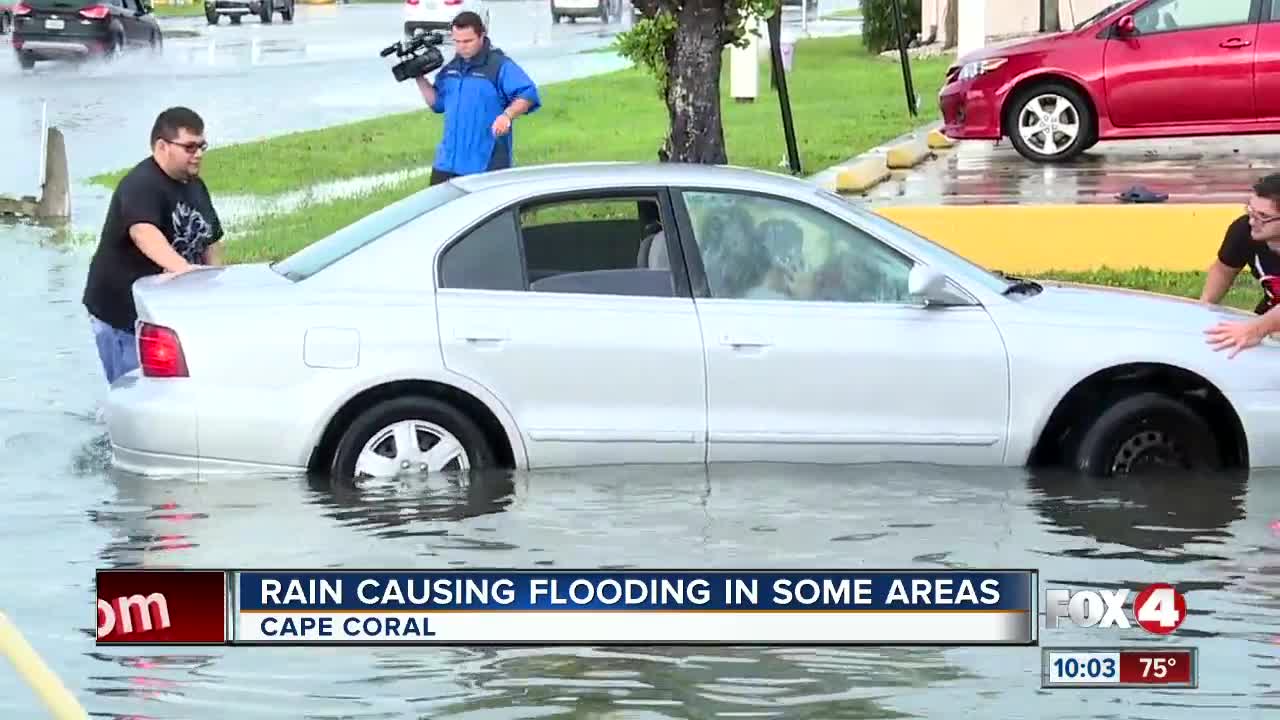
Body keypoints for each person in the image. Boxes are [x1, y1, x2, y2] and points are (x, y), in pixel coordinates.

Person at [82, 106, 223, 384]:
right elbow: (144, 233)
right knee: (135, 391)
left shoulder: (195, 185)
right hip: (123, 315)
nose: (199, 154)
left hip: (166, 314)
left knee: (171, 389)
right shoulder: (141, 184)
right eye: (190, 147)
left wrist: (215, 289)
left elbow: (211, 241)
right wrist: (187, 274)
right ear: (162, 146)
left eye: (202, 146)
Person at [414, 12, 541, 185]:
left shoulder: (499, 65)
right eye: (457, 41)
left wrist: (507, 116)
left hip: (485, 164)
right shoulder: (451, 69)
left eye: (467, 41)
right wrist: (418, 77)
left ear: (482, 35)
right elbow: (437, 104)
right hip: (446, 164)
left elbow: (528, 94)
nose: (461, 47)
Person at [1201, 173, 1280, 357]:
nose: (1253, 221)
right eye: (1250, 211)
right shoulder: (1245, 230)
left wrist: (1256, 329)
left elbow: (1256, 330)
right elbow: (1223, 270)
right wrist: (1203, 309)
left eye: (1263, 216)